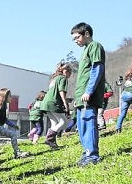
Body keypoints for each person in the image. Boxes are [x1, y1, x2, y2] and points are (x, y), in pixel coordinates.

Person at [71, 22, 106, 167]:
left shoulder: (95, 46)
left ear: (86, 33)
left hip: (88, 96)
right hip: (81, 97)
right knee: (81, 125)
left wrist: (89, 91)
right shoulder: (85, 50)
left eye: (77, 37)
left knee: (88, 123)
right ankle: (86, 153)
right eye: (73, 39)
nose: (76, 41)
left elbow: (97, 69)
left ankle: (92, 156)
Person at [41, 64, 72, 149]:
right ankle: (50, 139)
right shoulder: (63, 78)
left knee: (54, 123)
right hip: (53, 103)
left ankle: (53, 144)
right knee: (64, 122)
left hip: (45, 102)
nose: (70, 75)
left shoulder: (54, 79)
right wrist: (65, 104)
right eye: (70, 73)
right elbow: (61, 91)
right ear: (66, 71)